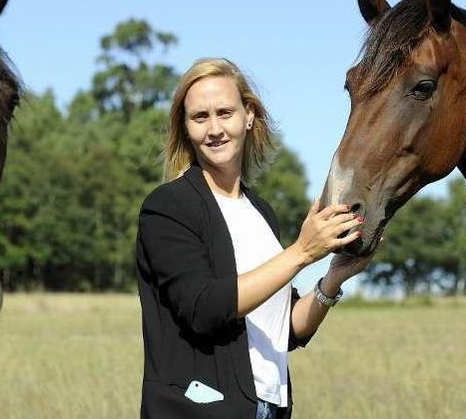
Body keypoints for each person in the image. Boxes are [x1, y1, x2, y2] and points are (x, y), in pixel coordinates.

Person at [136, 58, 372, 419]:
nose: (214, 128)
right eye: (200, 117)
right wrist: (301, 253)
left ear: (248, 115)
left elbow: (285, 330)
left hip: (269, 409)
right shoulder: (168, 207)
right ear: (185, 128)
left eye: (225, 112)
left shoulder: (261, 213)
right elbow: (202, 308)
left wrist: (335, 275)